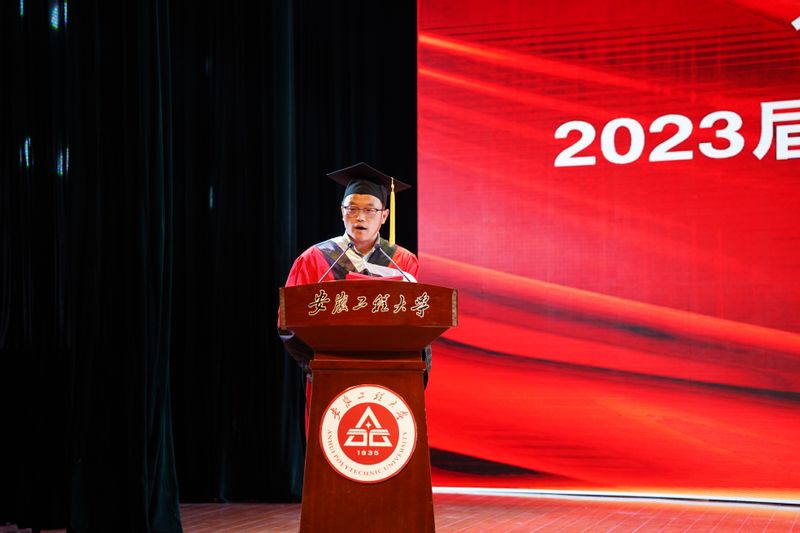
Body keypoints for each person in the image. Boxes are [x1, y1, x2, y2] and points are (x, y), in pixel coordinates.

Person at [278, 162, 431, 380]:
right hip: (330, 374)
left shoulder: (402, 261)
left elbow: (417, 325)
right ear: (342, 211)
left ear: (384, 216)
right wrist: (317, 364)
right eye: (352, 209)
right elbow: (288, 322)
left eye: (370, 210)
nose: (360, 217)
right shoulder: (313, 259)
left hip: (388, 375)